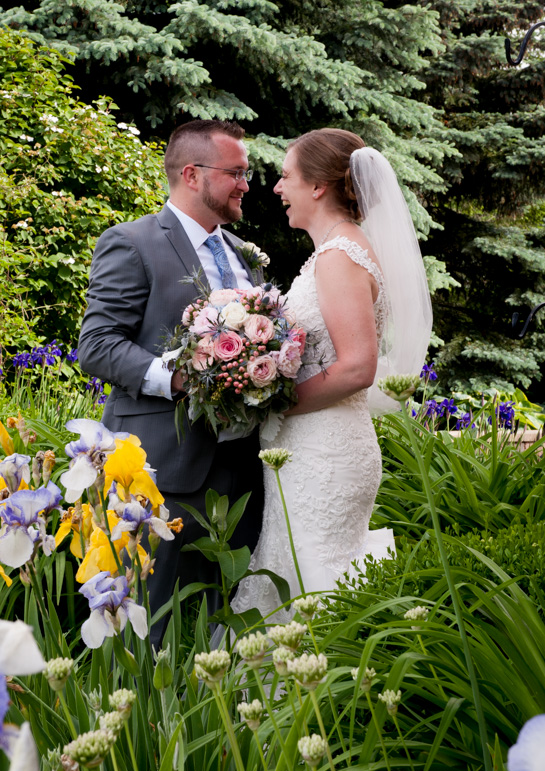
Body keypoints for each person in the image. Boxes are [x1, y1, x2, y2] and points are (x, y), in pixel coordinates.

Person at [231, 128, 432, 623]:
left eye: (286, 176)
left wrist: (275, 403)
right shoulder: (335, 250)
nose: (277, 187)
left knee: (316, 586)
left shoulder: (339, 256)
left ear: (318, 186)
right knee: (299, 578)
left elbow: (358, 367)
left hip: (325, 450)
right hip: (310, 447)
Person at [78, 119, 265, 644]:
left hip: (245, 474)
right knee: (148, 634)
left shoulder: (245, 255)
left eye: (246, 173)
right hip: (163, 471)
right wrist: (184, 378)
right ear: (192, 174)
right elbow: (97, 345)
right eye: (235, 173)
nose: (245, 184)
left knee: (224, 631)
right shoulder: (131, 242)